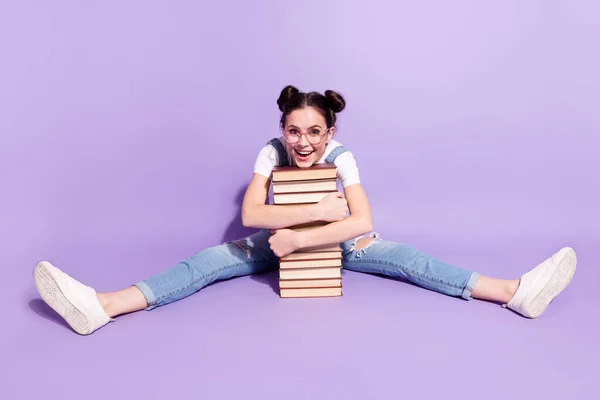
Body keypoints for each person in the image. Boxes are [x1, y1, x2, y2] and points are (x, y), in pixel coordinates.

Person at [33, 85, 577, 335]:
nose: (303, 142)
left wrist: (310, 235)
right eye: (294, 131)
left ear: (329, 132)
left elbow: (362, 221)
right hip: (277, 245)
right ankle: (102, 306)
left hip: (342, 244)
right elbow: (251, 212)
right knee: (203, 262)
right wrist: (299, 224)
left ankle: (513, 292)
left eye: (314, 132)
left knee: (411, 259)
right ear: (282, 130)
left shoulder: (343, 156)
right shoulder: (270, 153)